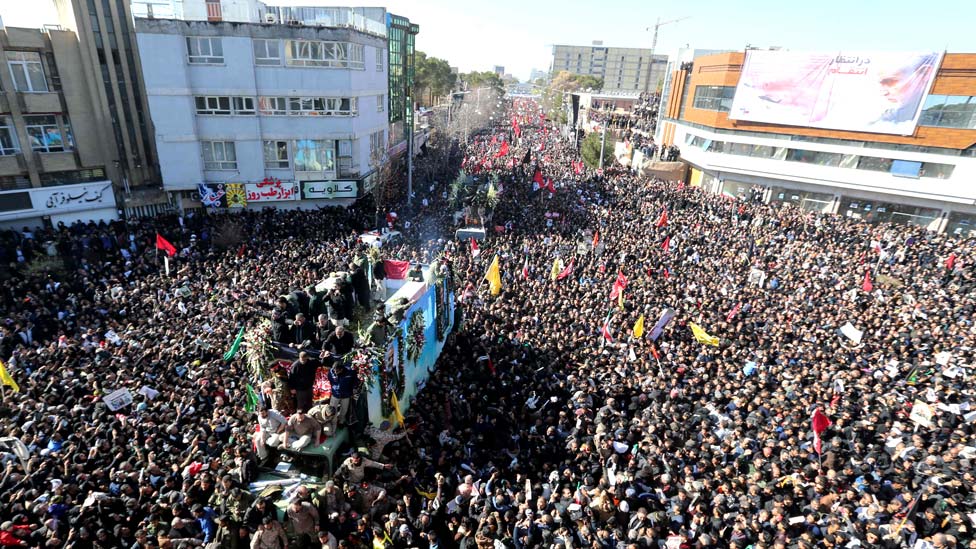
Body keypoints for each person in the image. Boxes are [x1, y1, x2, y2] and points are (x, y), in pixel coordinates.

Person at [326, 361, 358, 427]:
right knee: (332, 409)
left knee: (344, 410)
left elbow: (355, 381)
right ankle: (333, 422)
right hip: (335, 394)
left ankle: (341, 422)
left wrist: (354, 388)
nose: (335, 372)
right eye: (334, 371)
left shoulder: (350, 372)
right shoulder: (331, 372)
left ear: (341, 369)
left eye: (337, 371)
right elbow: (330, 380)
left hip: (346, 395)